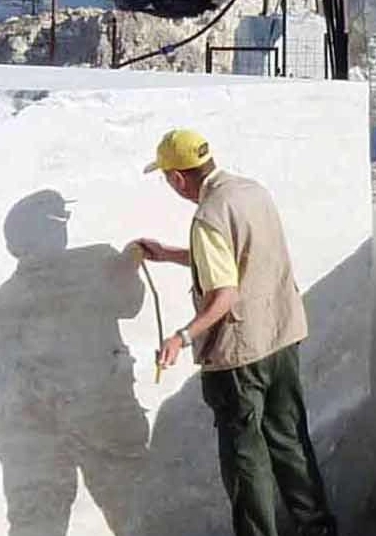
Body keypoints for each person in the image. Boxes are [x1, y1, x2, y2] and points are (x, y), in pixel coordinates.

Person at [130, 129, 337, 536]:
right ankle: (319, 529)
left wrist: (181, 337)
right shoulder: (250, 192)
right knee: (290, 442)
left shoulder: (208, 215)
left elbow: (224, 293)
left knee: (247, 463)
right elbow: (240, 255)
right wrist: (171, 254)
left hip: (240, 356)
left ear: (177, 178)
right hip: (281, 336)